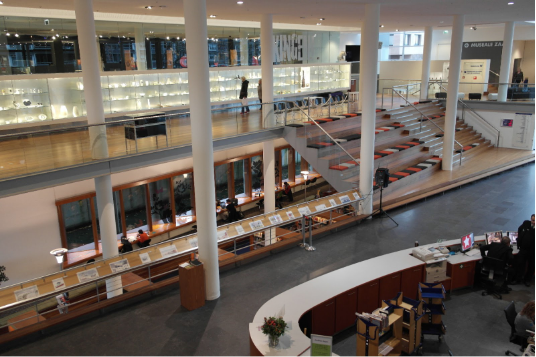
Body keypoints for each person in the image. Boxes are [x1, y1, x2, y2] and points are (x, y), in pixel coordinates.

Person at [516, 214, 535, 286]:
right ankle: (518, 279)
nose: (534, 222)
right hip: (523, 249)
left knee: (531, 266)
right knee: (520, 264)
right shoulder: (526, 223)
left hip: (533, 251)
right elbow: (520, 229)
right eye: (533, 220)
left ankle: (527, 280)